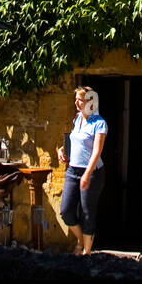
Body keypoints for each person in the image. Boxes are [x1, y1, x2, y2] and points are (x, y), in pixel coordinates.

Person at [56, 86, 107, 255]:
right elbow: (73, 142)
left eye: (81, 99)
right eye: (76, 99)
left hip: (92, 172)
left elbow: (96, 151)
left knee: (87, 212)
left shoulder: (99, 123)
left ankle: (86, 252)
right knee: (66, 210)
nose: (77, 102)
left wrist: (87, 174)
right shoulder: (76, 119)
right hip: (72, 170)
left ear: (90, 102)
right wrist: (62, 152)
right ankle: (80, 239)